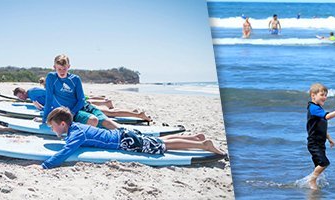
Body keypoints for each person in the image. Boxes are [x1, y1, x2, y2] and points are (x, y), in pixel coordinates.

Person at [40, 107, 225, 169]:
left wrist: (46, 165)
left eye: (52, 126)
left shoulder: (76, 133)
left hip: (124, 141)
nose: (52, 129)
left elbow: (66, 151)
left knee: (162, 146)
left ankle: (203, 144)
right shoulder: (77, 128)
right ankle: (195, 138)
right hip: (123, 135)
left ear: (62, 124)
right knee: (159, 143)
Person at [41, 54, 121, 130]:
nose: (62, 71)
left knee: (107, 122)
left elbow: (81, 99)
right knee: (93, 120)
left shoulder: (75, 79)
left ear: (68, 67)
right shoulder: (51, 77)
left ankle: (125, 133)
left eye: (64, 69)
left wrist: (72, 113)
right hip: (68, 113)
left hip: (81, 107)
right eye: (59, 69)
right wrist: (44, 119)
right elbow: (49, 99)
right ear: (54, 67)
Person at [13, 87, 152, 122]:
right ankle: (135, 113)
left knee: (109, 113)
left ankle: (139, 115)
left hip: (75, 105)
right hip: (73, 104)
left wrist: (43, 114)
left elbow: (49, 94)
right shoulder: (33, 95)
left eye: (19, 96)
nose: (21, 98)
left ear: (22, 92)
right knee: (108, 112)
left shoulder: (32, 93)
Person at [305, 83, 335, 190]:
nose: (325, 97)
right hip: (314, 143)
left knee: (319, 165)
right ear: (313, 95)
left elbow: (321, 128)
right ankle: (311, 180)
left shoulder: (318, 109)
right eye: (322, 95)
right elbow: (327, 117)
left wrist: (329, 139)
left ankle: (313, 186)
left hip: (320, 143)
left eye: (326, 95)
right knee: (324, 163)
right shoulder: (313, 108)